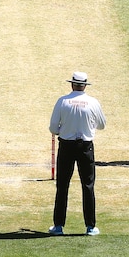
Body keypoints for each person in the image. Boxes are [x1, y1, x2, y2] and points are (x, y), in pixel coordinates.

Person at [48, 71, 107, 237]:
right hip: (86, 147)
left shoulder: (62, 101)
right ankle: (90, 226)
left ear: (72, 84)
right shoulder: (93, 102)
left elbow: (53, 128)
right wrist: (88, 125)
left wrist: (64, 130)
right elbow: (102, 125)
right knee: (88, 186)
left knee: (62, 185)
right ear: (85, 86)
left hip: (66, 146)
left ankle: (58, 225)